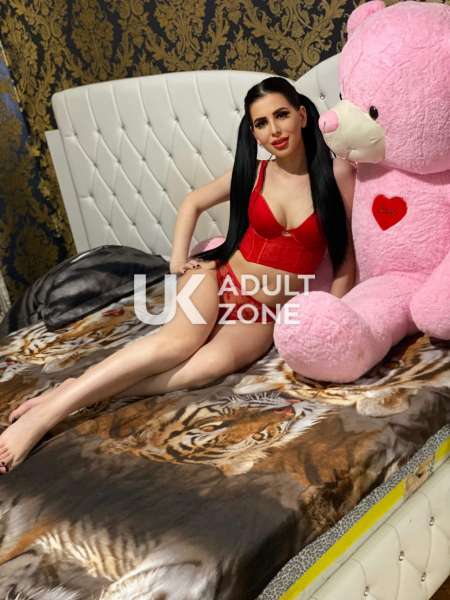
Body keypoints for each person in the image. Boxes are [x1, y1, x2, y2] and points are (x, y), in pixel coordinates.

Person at [0, 77, 355, 473]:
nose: (274, 130)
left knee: (206, 369)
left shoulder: (337, 174)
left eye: (281, 115)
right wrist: (177, 261)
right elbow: (193, 202)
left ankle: (75, 391)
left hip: (262, 309)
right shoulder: (254, 172)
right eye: (261, 123)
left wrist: (330, 316)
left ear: (302, 115)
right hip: (217, 276)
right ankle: (46, 416)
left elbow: (345, 260)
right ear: (253, 132)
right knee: (177, 344)